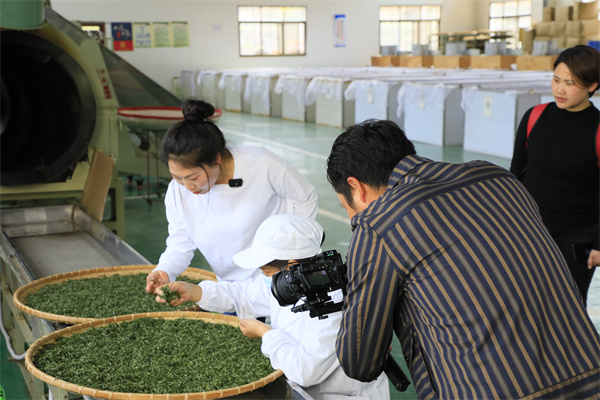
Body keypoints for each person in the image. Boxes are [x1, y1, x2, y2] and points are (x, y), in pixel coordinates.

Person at [326, 118, 600, 399]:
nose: (352, 217)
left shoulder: (377, 224)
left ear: (356, 187)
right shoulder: (500, 178)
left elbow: (360, 363)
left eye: (346, 206)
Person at [156, 214, 390, 400]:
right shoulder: (293, 283)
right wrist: (196, 292)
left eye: (267, 272)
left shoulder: (333, 306)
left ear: (292, 266)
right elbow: (245, 294)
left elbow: (305, 371)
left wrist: (265, 333)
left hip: (339, 394)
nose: (265, 278)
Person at [145, 99, 318, 293]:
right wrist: (165, 270)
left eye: (193, 177)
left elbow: (305, 197)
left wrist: (292, 251)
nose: (187, 186)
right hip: (229, 286)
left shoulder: (261, 164)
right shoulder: (177, 191)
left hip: (275, 276)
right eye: (177, 177)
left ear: (216, 159)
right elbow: (180, 243)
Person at [510, 45, 600, 305]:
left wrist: (598, 244)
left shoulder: (597, 130)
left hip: (579, 239)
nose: (560, 89)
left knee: (570, 303)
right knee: (523, 300)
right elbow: (515, 174)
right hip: (530, 230)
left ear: (592, 85)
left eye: (570, 83)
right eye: (556, 80)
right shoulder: (535, 117)